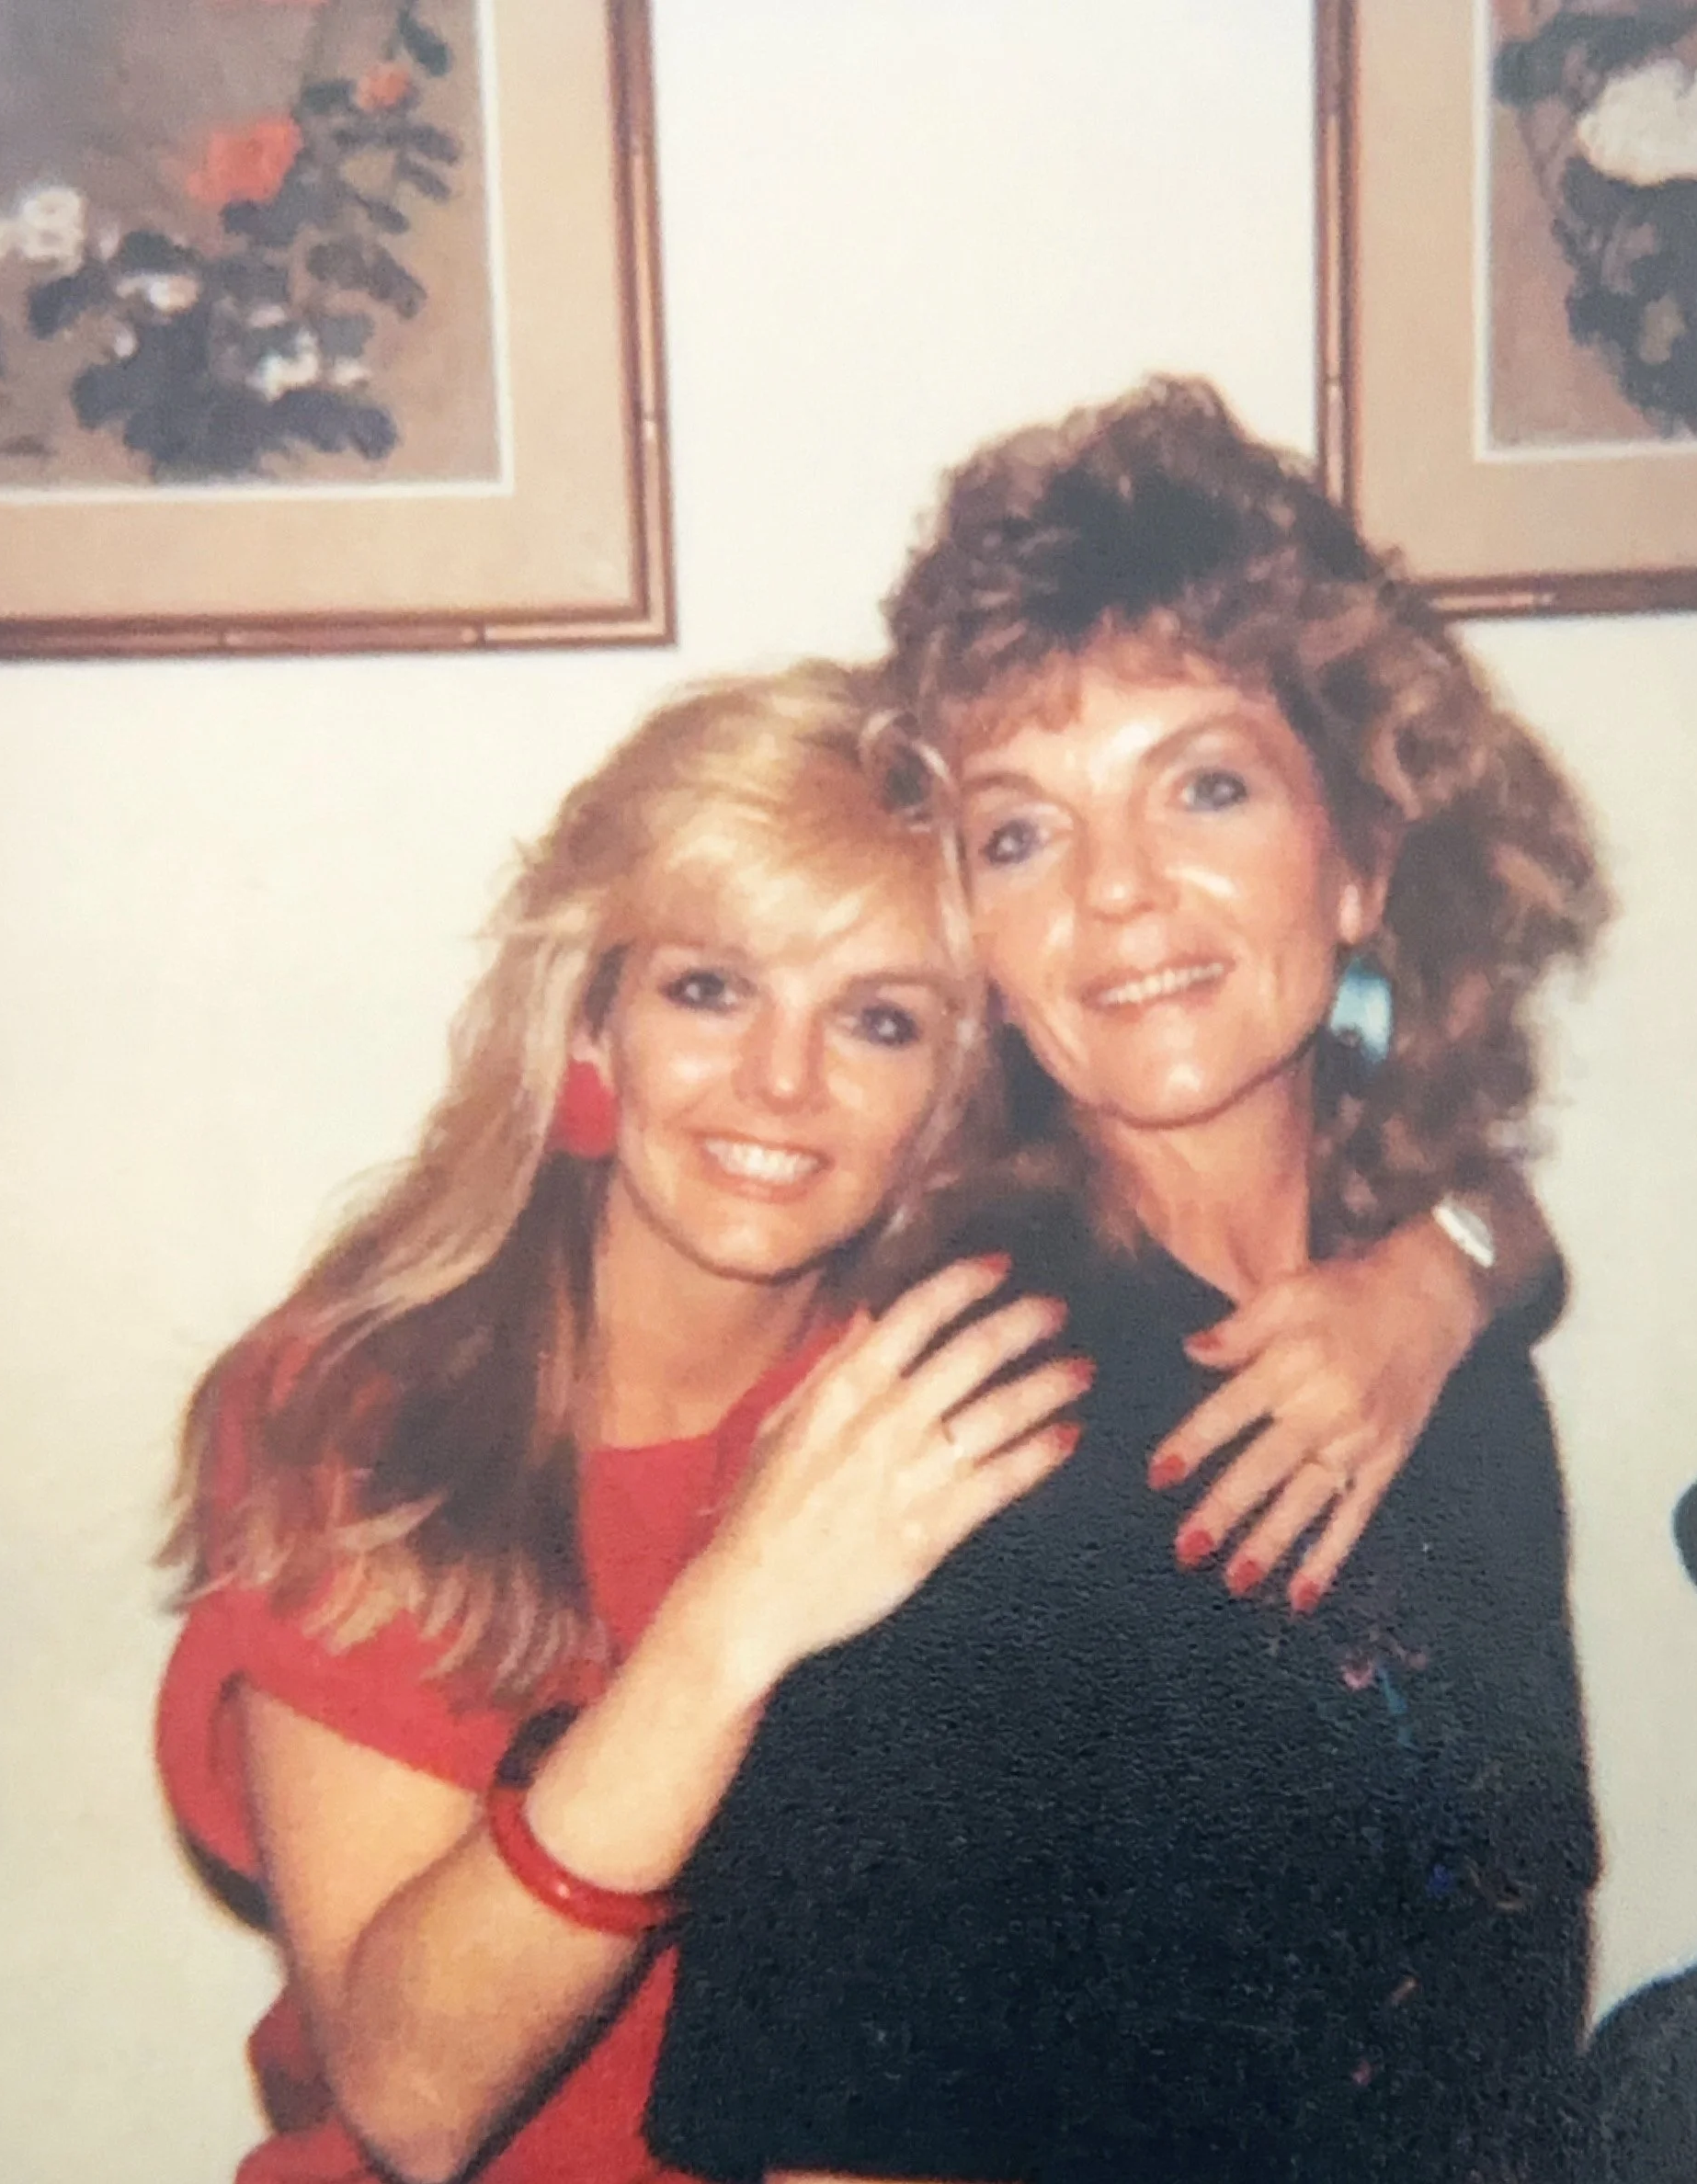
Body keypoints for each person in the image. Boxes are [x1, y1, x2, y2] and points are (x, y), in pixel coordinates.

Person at [155, 658, 1537, 2184]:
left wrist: (1452, 1261)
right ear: (592, 1027)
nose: (782, 1082)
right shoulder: (377, 1412)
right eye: (710, 988)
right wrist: (741, 1613)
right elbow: (414, 2101)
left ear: (958, 1077)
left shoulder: (940, 1357)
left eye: (878, 1020)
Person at [646, 380, 1612, 2184]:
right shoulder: (972, 1416)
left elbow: (1506, 1992)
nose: (1118, 896)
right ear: (977, 940)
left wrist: (1462, 1264)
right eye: (1023, 832)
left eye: (1208, 787)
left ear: (1363, 862)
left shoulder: (1444, 1345)